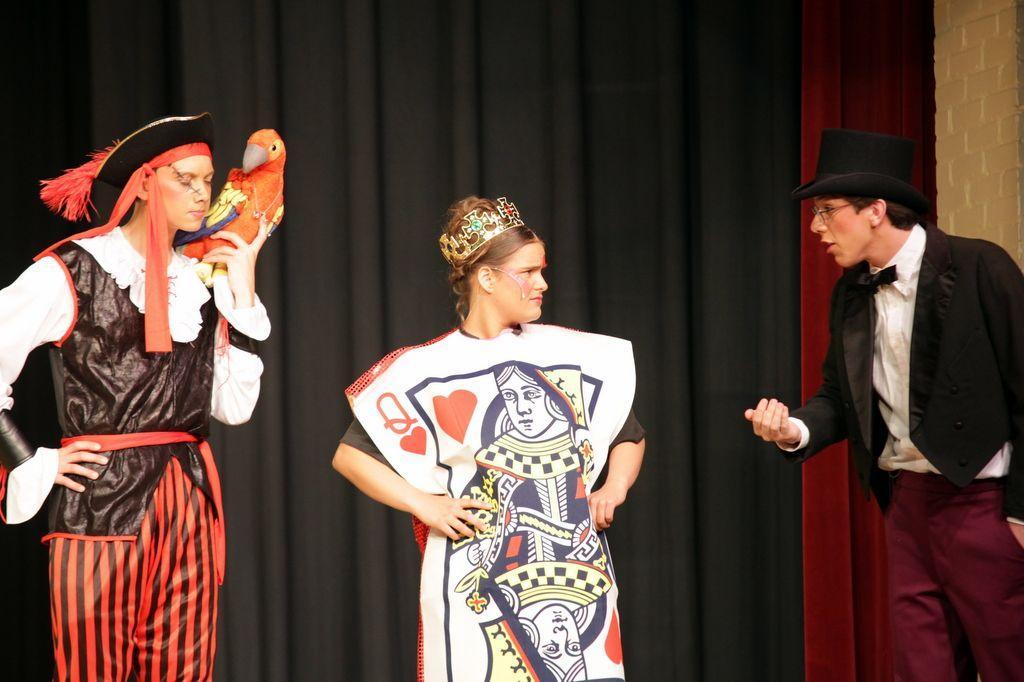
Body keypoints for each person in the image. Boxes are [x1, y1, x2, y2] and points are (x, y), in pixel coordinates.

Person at [745, 128, 1024, 681]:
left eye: (827, 211)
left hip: (985, 504)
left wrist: (1020, 513)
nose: (816, 227)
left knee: (1009, 660)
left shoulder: (978, 267)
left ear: (875, 210)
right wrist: (795, 430)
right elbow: (838, 395)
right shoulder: (851, 292)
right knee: (923, 668)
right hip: (910, 503)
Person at [0, 113, 271, 681]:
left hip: (188, 503)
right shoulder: (75, 269)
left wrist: (243, 292)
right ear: (145, 183)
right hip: (101, 503)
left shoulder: (200, 279)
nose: (202, 194)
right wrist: (29, 460)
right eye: (185, 179)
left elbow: (234, 407)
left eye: (207, 180)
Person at [333, 196, 645, 681]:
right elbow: (351, 457)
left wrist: (615, 486)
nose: (542, 283)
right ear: (487, 278)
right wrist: (425, 503)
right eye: (528, 272)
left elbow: (628, 432)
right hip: (476, 577)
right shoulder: (427, 369)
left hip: (577, 573)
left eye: (542, 270)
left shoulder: (572, 354)